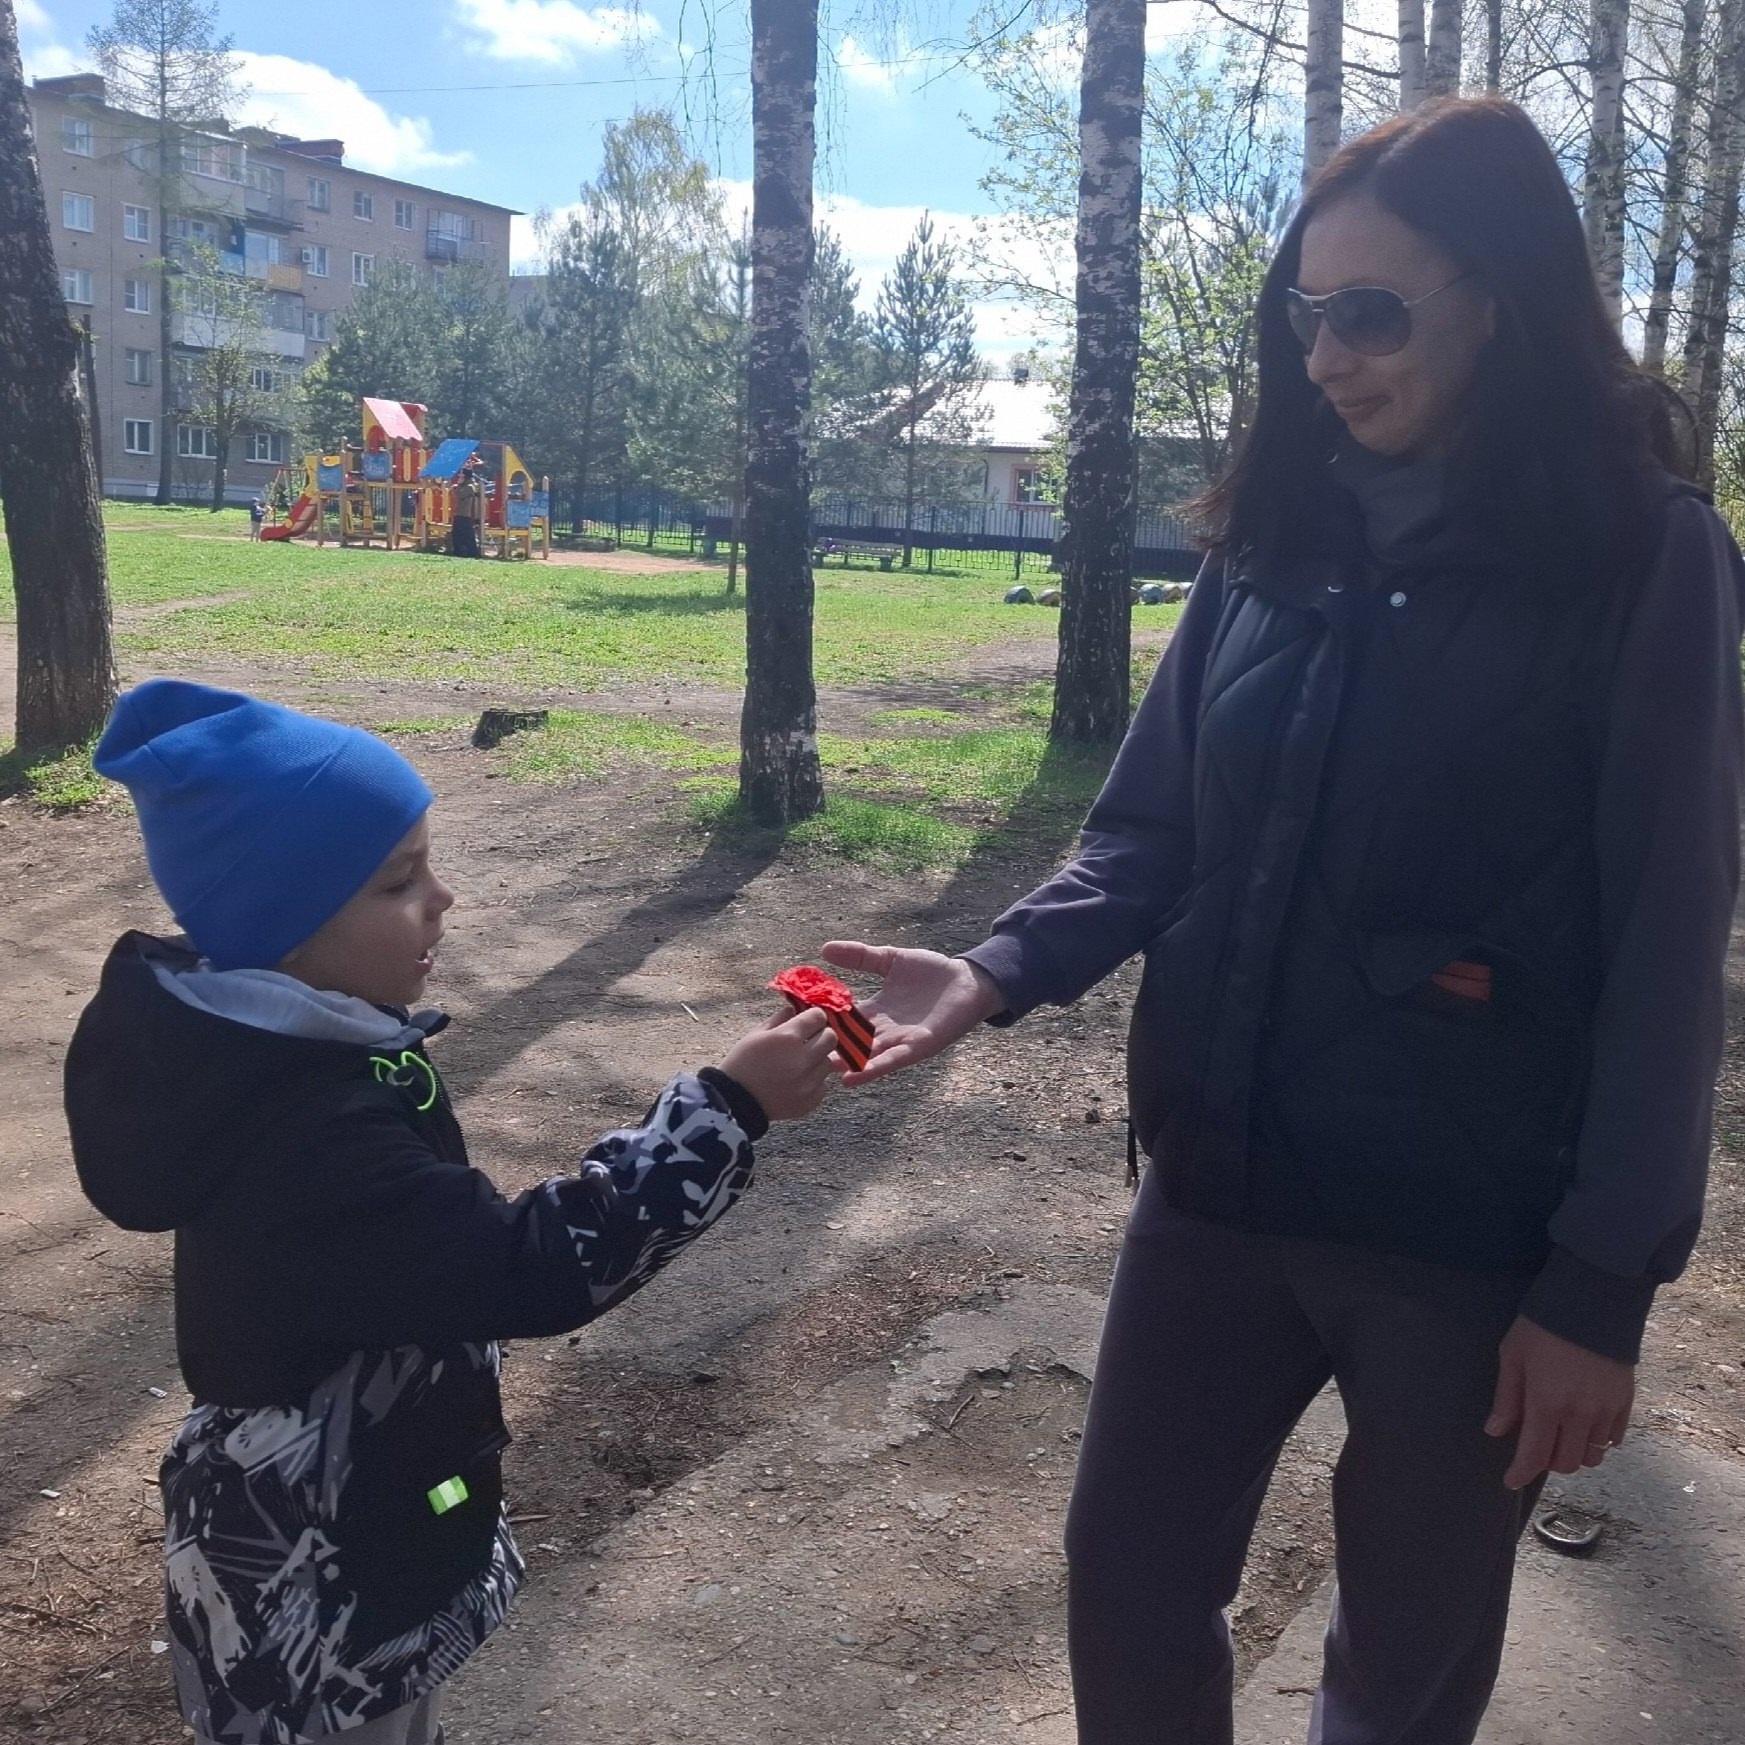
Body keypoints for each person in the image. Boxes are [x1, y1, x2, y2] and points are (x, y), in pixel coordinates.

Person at [825, 98, 1745, 1745]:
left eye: (1370, 314)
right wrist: (993, 969)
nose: (1325, 358)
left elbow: (1671, 941)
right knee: (1127, 1579)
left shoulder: (1643, 555)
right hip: (1219, 1185)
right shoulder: (1273, 533)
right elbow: (1151, 829)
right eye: (1305, 314)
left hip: (1463, 1236)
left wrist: (1601, 1283)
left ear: (1499, 300)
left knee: (1403, 1663)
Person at [65, 680, 840, 1745]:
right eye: (399, 881)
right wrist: (725, 1109)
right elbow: (530, 1265)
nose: (443, 899)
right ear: (284, 923)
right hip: (316, 1568)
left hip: (359, 1501)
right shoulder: (310, 1137)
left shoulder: (278, 1048)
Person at [451, 463, 483, 558]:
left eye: (461, 476)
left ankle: (472, 553)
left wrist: (457, 486)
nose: (459, 477)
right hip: (459, 513)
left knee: (468, 536)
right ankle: (458, 551)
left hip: (465, 515)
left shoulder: (469, 487)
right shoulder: (464, 485)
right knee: (456, 534)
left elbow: (460, 494)